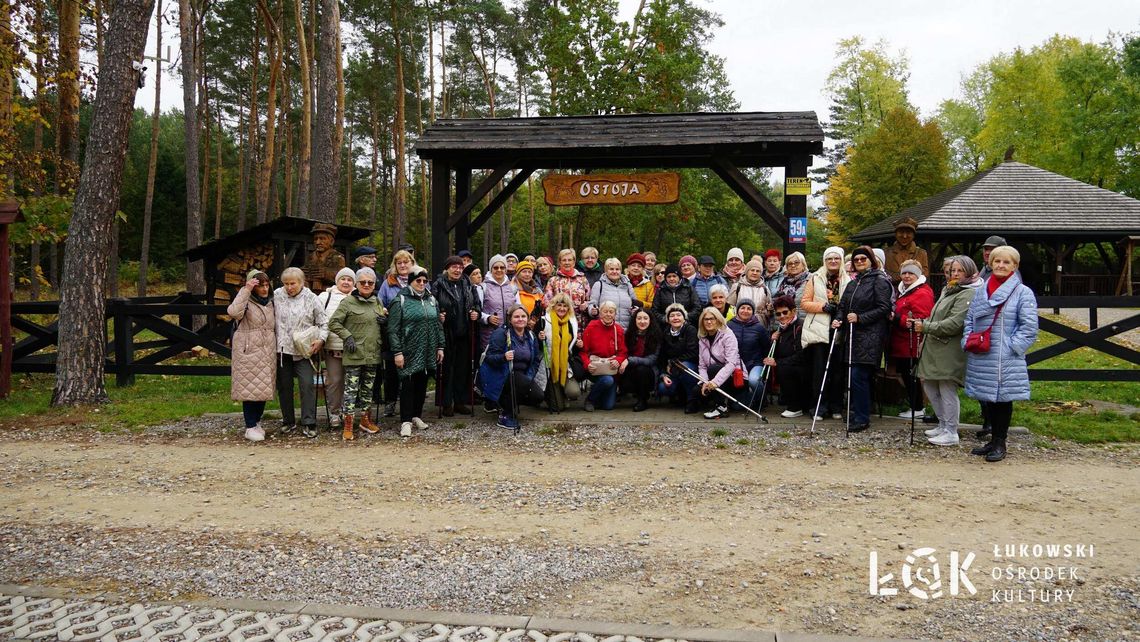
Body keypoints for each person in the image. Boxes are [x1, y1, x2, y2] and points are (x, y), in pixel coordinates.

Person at [963, 246, 1038, 462]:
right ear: (990, 264)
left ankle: (1000, 441)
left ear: (1015, 266)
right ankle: (992, 439)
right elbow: (969, 320)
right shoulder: (981, 291)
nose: (1001, 266)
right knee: (988, 398)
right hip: (982, 351)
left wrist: (1011, 347)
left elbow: (1029, 327)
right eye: (997, 261)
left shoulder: (1023, 293)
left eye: (1006, 262)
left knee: (1002, 399)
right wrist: (968, 340)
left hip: (1005, 356)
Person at [914, 256, 982, 446]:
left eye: (960, 270)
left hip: (949, 348)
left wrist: (926, 327)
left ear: (969, 271)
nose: (955, 274)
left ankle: (951, 431)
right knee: (929, 384)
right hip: (935, 345)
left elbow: (955, 323)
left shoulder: (968, 293)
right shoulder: (949, 290)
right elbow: (938, 314)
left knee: (946, 387)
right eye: (953, 270)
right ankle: (943, 423)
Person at [831, 247, 893, 432]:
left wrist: (860, 317)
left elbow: (884, 308)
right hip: (853, 335)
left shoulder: (880, 281)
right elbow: (843, 305)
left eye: (863, 259)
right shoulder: (853, 283)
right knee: (853, 376)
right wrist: (839, 319)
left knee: (859, 376)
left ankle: (862, 417)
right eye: (856, 259)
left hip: (870, 336)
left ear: (871, 260)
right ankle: (857, 411)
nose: (859, 262)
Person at [327, 267, 385, 441]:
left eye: (370, 282)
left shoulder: (377, 301)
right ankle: (348, 423)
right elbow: (334, 323)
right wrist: (347, 336)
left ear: (374, 284)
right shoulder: (348, 302)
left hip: (373, 352)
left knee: (368, 390)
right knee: (351, 391)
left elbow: (379, 325)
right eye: (363, 282)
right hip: (354, 353)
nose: (366, 285)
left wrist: (385, 322)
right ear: (357, 284)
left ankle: (365, 420)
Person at [388, 267, 446, 437]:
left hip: (428, 349)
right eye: (417, 280)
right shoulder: (400, 300)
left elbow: (437, 324)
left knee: (422, 381)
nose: (421, 284)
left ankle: (416, 416)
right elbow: (393, 329)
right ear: (410, 281)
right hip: (408, 350)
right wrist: (397, 352)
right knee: (408, 383)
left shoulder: (431, 299)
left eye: (424, 281)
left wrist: (440, 346)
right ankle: (405, 420)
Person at [273, 266, 329, 438]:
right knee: (284, 386)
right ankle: (288, 421)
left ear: (301, 282)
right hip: (282, 349)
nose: (289, 287)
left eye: (293, 284)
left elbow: (324, 322)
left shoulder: (312, 298)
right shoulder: (276, 295)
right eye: (286, 284)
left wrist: (321, 340)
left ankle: (309, 421)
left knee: (307, 385)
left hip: (304, 350)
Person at [801, 246, 850, 420]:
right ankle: (818, 407)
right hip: (819, 328)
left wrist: (841, 315)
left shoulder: (848, 279)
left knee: (837, 371)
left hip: (838, 327)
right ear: (825, 261)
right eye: (830, 259)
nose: (833, 261)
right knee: (819, 370)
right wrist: (823, 307)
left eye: (836, 258)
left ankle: (836, 406)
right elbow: (805, 303)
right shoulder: (815, 278)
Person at [228, 269, 276, 442]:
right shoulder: (246, 300)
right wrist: (245, 290)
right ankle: (249, 426)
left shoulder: (271, 302)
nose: (264, 289)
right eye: (260, 286)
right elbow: (233, 312)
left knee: (262, 389)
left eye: (266, 285)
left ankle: (256, 422)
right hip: (248, 349)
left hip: (267, 350)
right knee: (250, 389)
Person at [480, 305, 544, 430]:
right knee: (522, 382)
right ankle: (505, 414)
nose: (520, 319)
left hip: (522, 376)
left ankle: (503, 402)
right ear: (510, 319)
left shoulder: (530, 336)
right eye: (516, 317)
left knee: (538, 396)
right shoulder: (501, 334)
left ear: (528, 319)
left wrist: (529, 376)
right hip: (502, 374)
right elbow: (489, 358)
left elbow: (536, 359)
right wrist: (503, 357)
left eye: (523, 316)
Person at [433, 255, 482, 416]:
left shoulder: (468, 284)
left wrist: (476, 312)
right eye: (454, 267)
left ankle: (460, 401)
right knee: (447, 369)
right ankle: (446, 402)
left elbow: (476, 303)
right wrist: (438, 315)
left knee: (463, 369)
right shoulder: (439, 285)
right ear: (447, 268)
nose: (457, 270)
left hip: (465, 332)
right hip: (446, 333)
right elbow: (432, 303)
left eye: (460, 267)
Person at [889, 260, 935, 420]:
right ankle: (915, 405)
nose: (907, 276)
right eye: (904, 273)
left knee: (912, 376)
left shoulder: (922, 293)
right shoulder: (904, 290)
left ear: (918, 275)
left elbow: (920, 319)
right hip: (901, 342)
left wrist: (897, 318)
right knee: (906, 375)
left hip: (912, 342)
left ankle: (918, 407)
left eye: (911, 273)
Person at [378, 249, 417, 417]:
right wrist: (384, 311)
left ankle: (412, 405)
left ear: (411, 263)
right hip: (393, 332)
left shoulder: (419, 280)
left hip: (414, 332)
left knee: (412, 369)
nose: (402, 265)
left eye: (405, 262)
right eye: (399, 263)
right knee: (392, 371)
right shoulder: (388, 283)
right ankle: (391, 402)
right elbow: (379, 303)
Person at [317, 267, 356, 429]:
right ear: (337, 281)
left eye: (349, 280)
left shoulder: (359, 296)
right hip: (333, 346)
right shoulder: (325, 297)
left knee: (352, 382)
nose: (346, 282)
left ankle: (349, 413)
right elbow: (318, 318)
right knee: (335, 380)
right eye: (343, 279)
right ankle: (334, 413)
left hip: (355, 348)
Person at [767, 296, 810, 418]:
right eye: (778, 314)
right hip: (788, 365)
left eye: (785, 312)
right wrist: (772, 341)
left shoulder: (800, 327)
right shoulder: (780, 329)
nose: (782, 316)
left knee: (784, 368)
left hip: (802, 368)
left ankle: (795, 407)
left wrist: (778, 362)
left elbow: (802, 355)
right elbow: (777, 352)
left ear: (793, 311)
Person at [696, 307, 743, 419]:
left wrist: (714, 382)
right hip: (714, 376)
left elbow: (731, 363)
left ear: (718, 320)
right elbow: (702, 366)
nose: (709, 321)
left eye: (712, 318)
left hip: (733, 377)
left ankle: (721, 407)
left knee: (713, 369)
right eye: (705, 319)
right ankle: (717, 402)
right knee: (696, 392)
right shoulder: (702, 338)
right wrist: (705, 382)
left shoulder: (728, 335)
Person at [581, 300, 627, 411]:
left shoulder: (618, 329)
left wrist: (619, 360)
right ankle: (590, 400)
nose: (608, 314)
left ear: (615, 314)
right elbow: (583, 351)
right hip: (596, 367)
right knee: (607, 380)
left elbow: (623, 352)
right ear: (600, 313)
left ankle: (599, 393)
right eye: (605, 311)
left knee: (608, 406)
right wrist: (587, 364)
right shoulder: (591, 327)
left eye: (611, 312)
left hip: (610, 369)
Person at [727, 299, 771, 410]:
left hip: (755, 363)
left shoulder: (759, 327)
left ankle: (761, 400)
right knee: (737, 407)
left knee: (754, 380)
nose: (745, 311)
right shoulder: (729, 325)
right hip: (736, 364)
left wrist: (765, 360)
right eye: (742, 308)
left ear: (753, 311)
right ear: (737, 310)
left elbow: (766, 347)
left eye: (749, 309)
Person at [657, 303, 701, 413]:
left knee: (683, 366)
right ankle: (680, 395)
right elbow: (662, 357)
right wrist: (663, 374)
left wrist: (674, 361)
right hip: (673, 369)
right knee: (663, 388)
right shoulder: (665, 333)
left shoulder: (690, 330)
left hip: (690, 366)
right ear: (667, 319)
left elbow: (694, 352)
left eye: (678, 315)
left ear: (683, 317)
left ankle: (692, 400)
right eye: (672, 315)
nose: (675, 318)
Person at [542, 292, 581, 412]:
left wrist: (579, 345)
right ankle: (548, 395)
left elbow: (572, 348)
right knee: (557, 408)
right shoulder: (544, 321)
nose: (562, 309)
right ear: (553, 306)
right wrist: (539, 338)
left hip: (565, 365)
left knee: (574, 392)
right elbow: (537, 346)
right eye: (559, 305)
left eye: (565, 306)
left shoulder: (571, 323)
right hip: (549, 366)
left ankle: (562, 393)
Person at [622, 307, 662, 412]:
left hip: (648, 371)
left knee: (641, 369)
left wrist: (630, 360)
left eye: (645, 318)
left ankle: (642, 400)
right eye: (639, 318)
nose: (642, 321)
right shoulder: (628, 334)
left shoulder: (656, 335)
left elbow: (652, 359)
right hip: (630, 368)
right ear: (634, 320)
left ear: (650, 320)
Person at [544, 248, 592, 325]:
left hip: (579, 323)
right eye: (564, 260)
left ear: (574, 262)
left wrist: (586, 305)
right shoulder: (553, 280)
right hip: (559, 322)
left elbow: (589, 300)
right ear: (560, 262)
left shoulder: (583, 280)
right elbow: (547, 302)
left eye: (569, 260)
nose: (567, 262)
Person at [480, 254, 519, 348]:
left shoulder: (513, 288)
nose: (499, 270)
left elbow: (518, 308)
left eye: (502, 267)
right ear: (491, 269)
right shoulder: (483, 287)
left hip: (510, 334)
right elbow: (476, 312)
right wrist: (487, 318)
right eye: (495, 267)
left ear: (505, 269)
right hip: (489, 334)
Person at [589, 258, 639, 327]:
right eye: (611, 269)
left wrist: (635, 310)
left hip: (626, 328)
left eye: (617, 269)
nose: (614, 271)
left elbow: (635, 303)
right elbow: (592, 304)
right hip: (605, 328)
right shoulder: (599, 285)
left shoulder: (627, 285)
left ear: (621, 271)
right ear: (606, 271)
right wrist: (592, 311)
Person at [884, 217, 931, 284]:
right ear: (896, 234)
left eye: (908, 232)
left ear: (913, 235)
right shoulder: (886, 253)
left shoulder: (921, 253)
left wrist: (898, 276)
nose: (904, 236)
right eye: (901, 232)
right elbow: (884, 273)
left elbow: (925, 273)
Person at [302, 222, 346, 292]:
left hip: (329, 293)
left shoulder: (337, 257)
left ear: (331, 241)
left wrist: (326, 273)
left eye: (322, 239)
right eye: (315, 239)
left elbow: (343, 276)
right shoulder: (311, 256)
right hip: (310, 292)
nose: (318, 242)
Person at [728, 258, 772, 327]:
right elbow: (729, 308)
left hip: (759, 326)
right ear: (747, 271)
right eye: (752, 270)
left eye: (758, 271)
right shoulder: (737, 286)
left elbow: (769, 310)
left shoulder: (765, 289)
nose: (755, 273)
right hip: (740, 325)